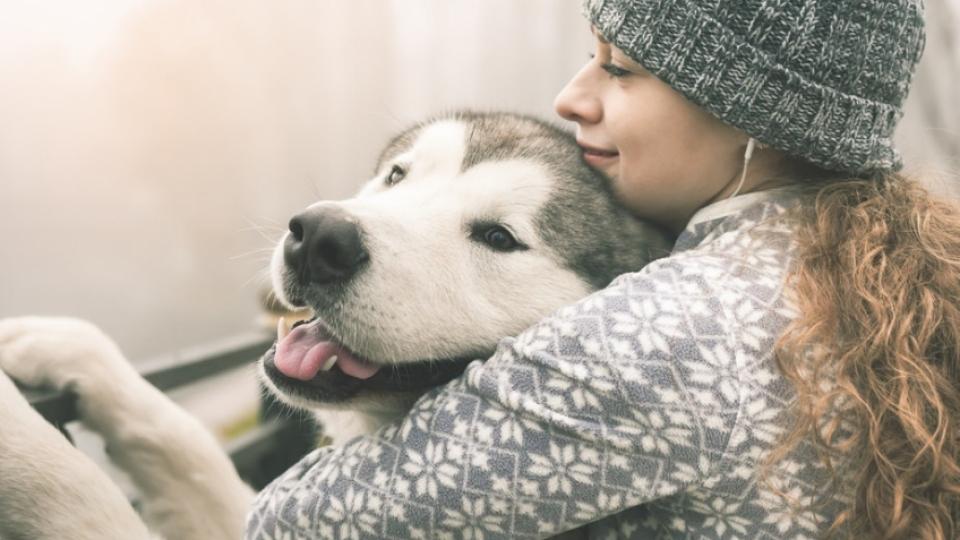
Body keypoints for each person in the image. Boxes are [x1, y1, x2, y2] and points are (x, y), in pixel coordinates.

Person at [247, 0, 960, 538]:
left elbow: (287, 525)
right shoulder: (855, 277)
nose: (571, 98)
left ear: (751, 116)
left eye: (619, 69)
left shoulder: (664, 338)